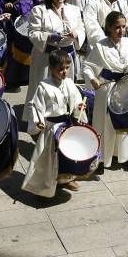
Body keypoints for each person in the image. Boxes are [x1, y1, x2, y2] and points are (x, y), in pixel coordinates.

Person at [83, 11, 128, 169]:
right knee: (105, 124)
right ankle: (101, 158)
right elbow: (87, 66)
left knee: (127, 121)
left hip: (127, 88)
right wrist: (92, 78)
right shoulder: (100, 46)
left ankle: (125, 156)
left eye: (123, 27)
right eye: (117, 27)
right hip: (107, 88)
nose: (121, 30)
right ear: (109, 28)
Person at [22, 49, 88, 197]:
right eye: (60, 69)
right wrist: (39, 121)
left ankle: (65, 179)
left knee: (67, 156)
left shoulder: (70, 83)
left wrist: (79, 107)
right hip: (52, 128)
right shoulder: (44, 86)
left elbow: (76, 99)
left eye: (67, 68)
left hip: (67, 125)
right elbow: (36, 105)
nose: (64, 72)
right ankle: (44, 187)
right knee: (49, 159)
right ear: (51, 68)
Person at [22, 0, 85, 122]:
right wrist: (48, 36)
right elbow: (32, 32)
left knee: (66, 86)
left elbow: (81, 28)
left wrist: (76, 35)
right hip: (46, 56)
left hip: (67, 56)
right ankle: (38, 120)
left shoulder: (73, 10)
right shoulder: (39, 10)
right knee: (43, 86)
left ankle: (64, 115)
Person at [2, 0, 42, 86]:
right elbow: (0, 1)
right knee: (16, 50)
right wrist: (6, 6)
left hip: (30, 21)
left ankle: (28, 78)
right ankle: (13, 79)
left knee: (30, 50)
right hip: (14, 22)